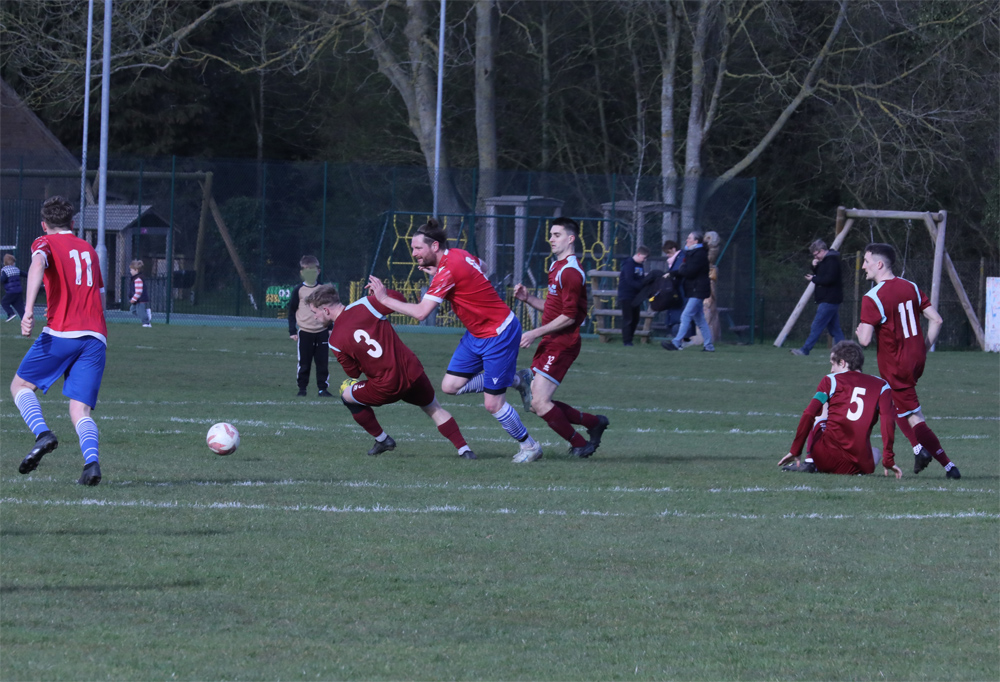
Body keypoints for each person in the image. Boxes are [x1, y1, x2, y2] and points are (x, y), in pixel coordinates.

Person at [367, 218, 543, 463]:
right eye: (413, 249)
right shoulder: (458, 254)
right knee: (450, 386)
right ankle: (517, 379)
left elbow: (421, 313)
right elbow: (483, 266)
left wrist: (384, 299)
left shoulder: (447, 271)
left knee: (493, 404)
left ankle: (530, 446)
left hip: (499, 334)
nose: (414, 253)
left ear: (435, 246)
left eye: (418, 248)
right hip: (476, 333)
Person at [306, 284, 476, 459]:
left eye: (314, 312)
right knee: (434, 409)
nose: (314, 317)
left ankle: (382, 439)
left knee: (347, 396)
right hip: (412, 372)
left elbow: (353, 373)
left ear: (326, 310)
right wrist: (383, 294)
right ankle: (464, 450)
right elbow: (400, 300)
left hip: (386, 386)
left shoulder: (334, 340)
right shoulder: (366, 303)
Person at [10, 196, 107, 486]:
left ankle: (43, 434)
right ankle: (91, 465)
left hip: (62, 332)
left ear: (44, 225)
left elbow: (38, 264)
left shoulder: (44, 242)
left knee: (20, 386)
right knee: (80, 410)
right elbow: (100, 296)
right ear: (72, 223)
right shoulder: (89, 250)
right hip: (95, 337)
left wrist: (28, 310)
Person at [855, 242, 961, 479]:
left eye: (867, 261)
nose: (863, 266)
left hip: (896, 365)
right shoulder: (910, 286)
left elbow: (865, 340)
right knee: (890, 404)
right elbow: (937, 320)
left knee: (915, 417)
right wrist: (923, 348)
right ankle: (918, 450)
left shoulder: (872, 297)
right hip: (915, 361)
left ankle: (949, 466)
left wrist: (859, 331)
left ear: (879, 264)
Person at [512, 218, 610, 458]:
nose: (551, 239)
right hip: (551, 340)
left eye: (557, 235)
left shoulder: (571, 272)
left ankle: (580, 444)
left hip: (563, 343)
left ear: (571, 238)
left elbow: (568, 317)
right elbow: (554, 309)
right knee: (535, 403)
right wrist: (528, 298)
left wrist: (534, 332)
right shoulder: (556, 266)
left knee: (540, 402)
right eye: (551, 235)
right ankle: (594, 423)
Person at [779, 340, 900, 477]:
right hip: (858, 464)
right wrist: (888, 459)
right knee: (876, 452)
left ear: (842, 363)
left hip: (825, 458)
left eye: (833, 364)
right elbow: (888, 421)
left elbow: (809, 413)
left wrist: (795, 450)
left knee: (823, 405)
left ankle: (810, 462)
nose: (831, 370)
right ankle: (858, 471)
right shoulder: (882, 385)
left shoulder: (830, 380)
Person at [661, 231, 715, 352]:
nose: (687, 240)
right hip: (694, 290)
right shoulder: (693, 253)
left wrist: (681, 269)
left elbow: (689, 272)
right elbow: (685, 270)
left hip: (698, 290)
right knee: (700, 319)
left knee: (685, 315)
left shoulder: (699, 254)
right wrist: (672, 273)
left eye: (690, 238)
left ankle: (676, 343)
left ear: (696, 241)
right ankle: (709, 346)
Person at [288, 255, 333, 397]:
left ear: (318, 271)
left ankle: (322, 389)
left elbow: (329, 310)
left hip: (322, 332)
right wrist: (292, 330)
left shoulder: (323, 289)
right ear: (302, 273)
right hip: (305, 332)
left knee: (322, 362)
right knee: (304, 362)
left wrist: (330, 328)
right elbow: (292, 310)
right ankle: (302, 389)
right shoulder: (299, 290)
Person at [791, 239, 845, 356]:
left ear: (821, 251)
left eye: (816, 255)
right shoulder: (825, 261)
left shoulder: (832, 261)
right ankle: (846, 351)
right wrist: (814, 267)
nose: (815, 257)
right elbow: (822, 274)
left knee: (817, 326)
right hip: (829, 299)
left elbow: (829, 279)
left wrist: (813, 279)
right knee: (835, 329)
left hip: (829, 299)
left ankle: (805, 350)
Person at [617, 245, 649, 346]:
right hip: (627, 295)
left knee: (635, 319)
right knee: (628, 318)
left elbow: (641, 278)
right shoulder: (629, 264)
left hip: (636, 296)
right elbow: (629, 280)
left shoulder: (640, 265)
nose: (644, 260)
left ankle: (630, 338)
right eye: (644, 257)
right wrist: (641, 286)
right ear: (638, 254)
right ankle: (627, 341)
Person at [1, 253, 26, 321]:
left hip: (11, 292)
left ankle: (10, 313)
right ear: (13, 262)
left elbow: (2, 279)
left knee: (4, 302)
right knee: (20, 308)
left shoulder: (5, 270)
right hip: (19, 292)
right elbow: (25, 274)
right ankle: (26, 321)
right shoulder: (16, 269)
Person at [128, 259, 153, 327]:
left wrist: (133, 299)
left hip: (140, 299)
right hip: (137, 299)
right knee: (133, 310)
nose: (130, 271)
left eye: (131, 270)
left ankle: (146, 323)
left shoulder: (138, 279)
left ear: (136, 270)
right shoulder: (134, 279)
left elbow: (138, 292)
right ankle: (146, 314)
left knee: (140, 311)